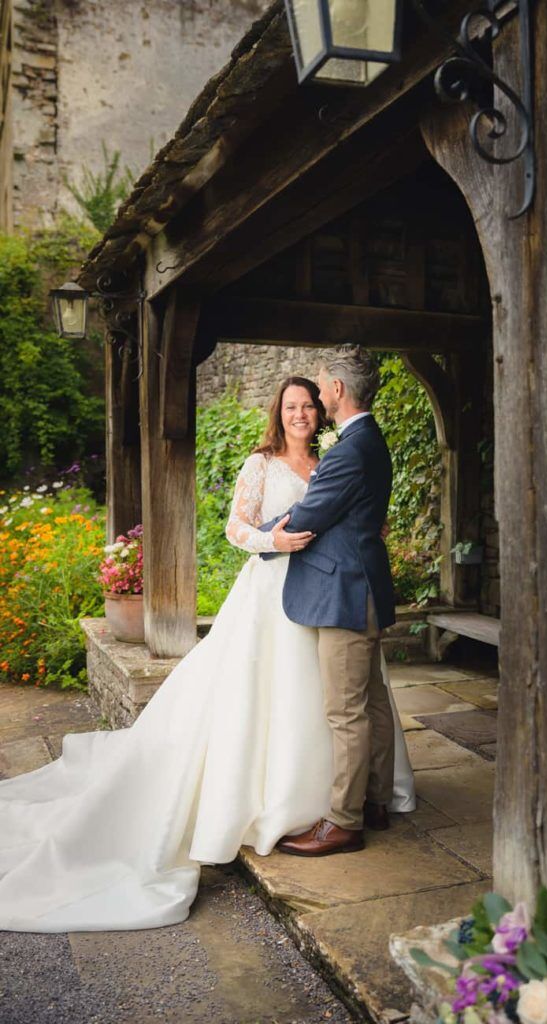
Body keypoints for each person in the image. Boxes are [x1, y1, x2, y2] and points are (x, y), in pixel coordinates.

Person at [0, 371, 415, 933]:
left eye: (309, 406)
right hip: (275, 596)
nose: (301, 414)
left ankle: (347, 803)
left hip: (326, 595)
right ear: (279, 413)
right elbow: (235, 527)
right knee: (288, 698)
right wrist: (273, 539)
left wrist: (301, 532)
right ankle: (323, 799)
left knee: (339, 702)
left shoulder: (334, 460)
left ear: (323, 409)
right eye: (292, 406)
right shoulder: (260, 463)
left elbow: (342, 517)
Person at [261, 345, 402, 857]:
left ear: (338, 390)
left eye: (321, 387)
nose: (317, 396)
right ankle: (377, 800)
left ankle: (344, 821)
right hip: (362, 582)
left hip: (344, 589)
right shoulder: (370, 439)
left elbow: (309, 515)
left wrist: (266, 535)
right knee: (372, 699)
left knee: (346, 711)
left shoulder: (347, 450)